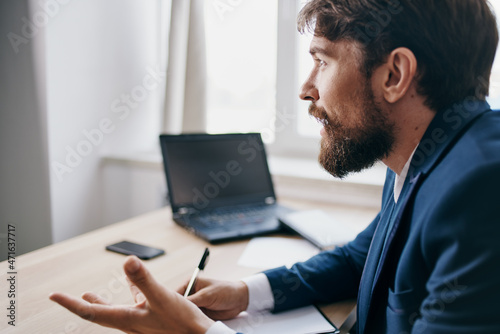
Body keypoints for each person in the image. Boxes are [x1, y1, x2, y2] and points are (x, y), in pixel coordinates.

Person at [50, 0, 500, 333]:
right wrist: (247, 293)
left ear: (395, 75)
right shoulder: (421, 155)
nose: (306, 90)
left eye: (322, 61)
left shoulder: (480, 187)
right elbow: (361, 259)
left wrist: (200, 331)